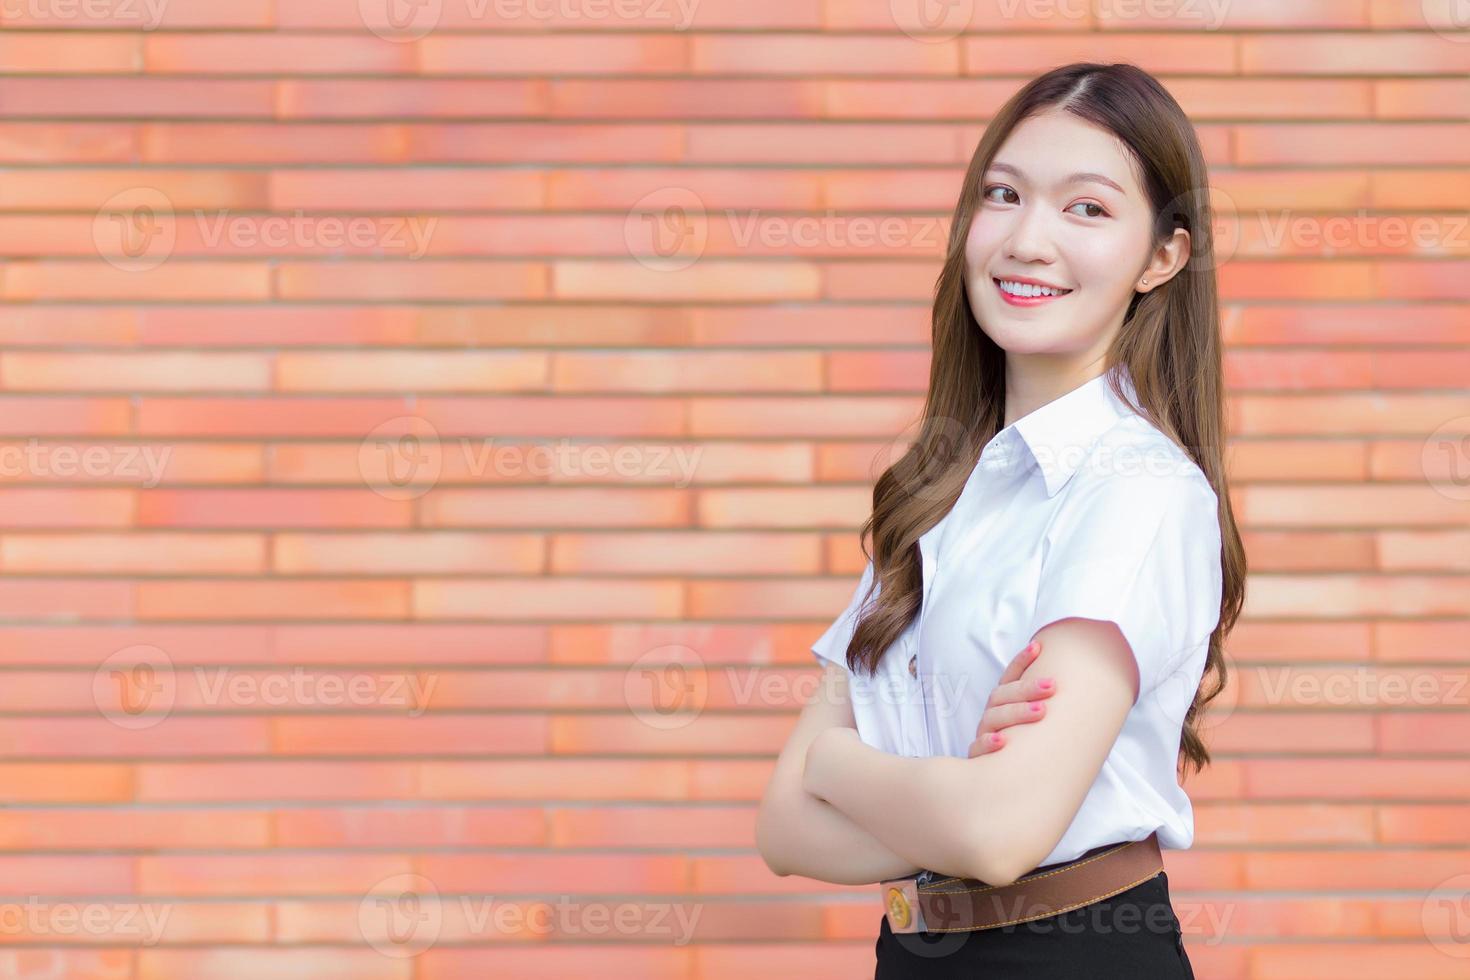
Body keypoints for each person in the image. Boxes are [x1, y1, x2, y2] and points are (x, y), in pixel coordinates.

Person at [755, 62, 1246, 978]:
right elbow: (783, 829)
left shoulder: (1135, 487)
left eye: (1087, 209)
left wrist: (837, 765)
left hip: (1068, 955)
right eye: (1003, 194)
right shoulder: (940, 491)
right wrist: (952, 790)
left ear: (1163, 258)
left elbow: (999, 831)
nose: (1028, 239)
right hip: (915, 953)